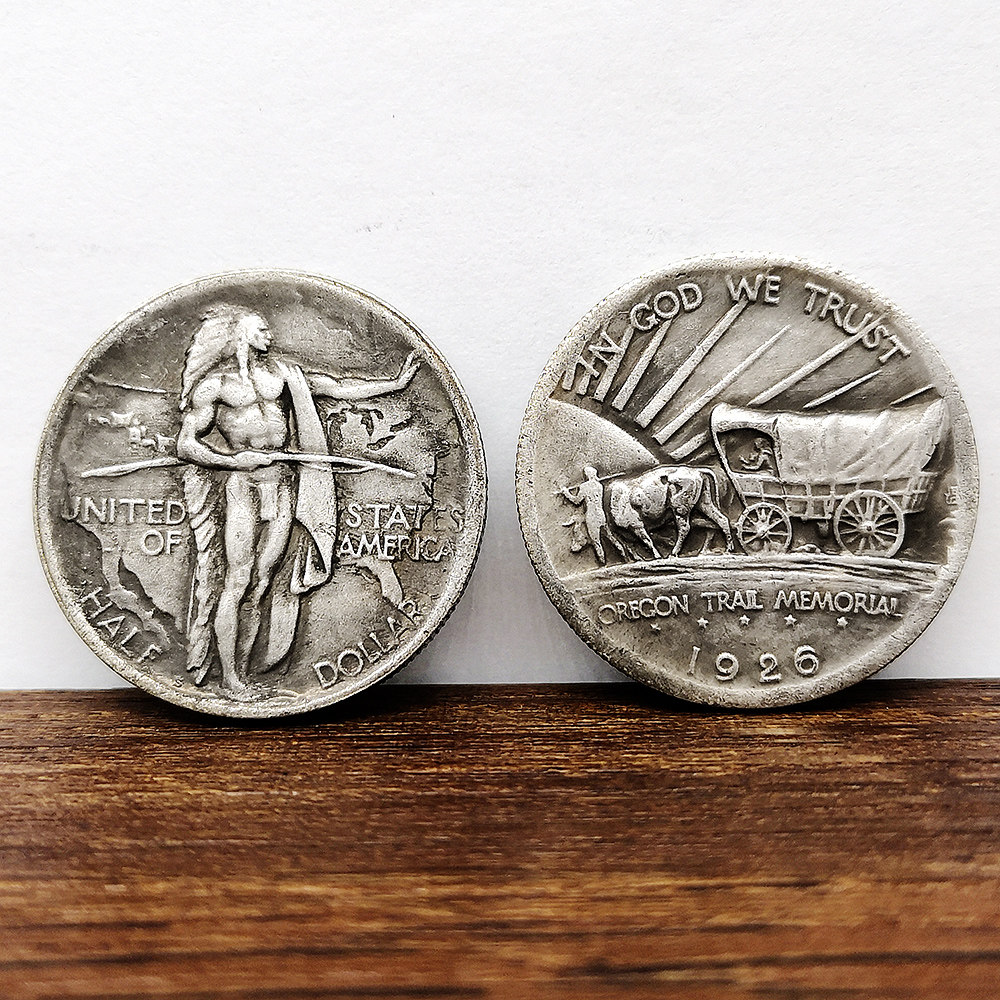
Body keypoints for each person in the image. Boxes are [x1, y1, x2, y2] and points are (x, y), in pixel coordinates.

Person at [177, 304, 419, 698]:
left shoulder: (284, 376)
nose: (269, 335)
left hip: (281, 486)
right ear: (241, 335)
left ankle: (243, 674)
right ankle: (230, 681)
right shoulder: (215, 387)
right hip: (243, 488)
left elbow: (337, 388)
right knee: (237, 581)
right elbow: (186, 445)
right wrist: (233, 460)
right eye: (261, 329)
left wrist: (394, 384)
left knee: (261, 583)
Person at [560, 466, 626, 564]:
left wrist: (566, 493)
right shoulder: (599, 486)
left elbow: (577, 501)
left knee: (596, 543)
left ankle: (602, 563)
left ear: (586, 475)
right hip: (601, 515)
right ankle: (624, 556)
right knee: (611, 537)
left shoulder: (584, 486)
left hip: (592, 517)